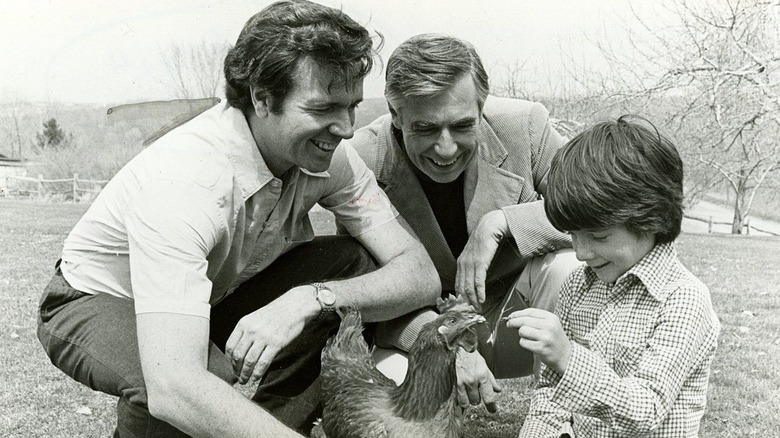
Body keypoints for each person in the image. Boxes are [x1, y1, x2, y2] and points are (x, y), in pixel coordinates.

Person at [36, 1, 440, 437]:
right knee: (198, 386)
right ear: (262, 99)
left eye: (353, 106)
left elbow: (419, 273)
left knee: (350, 261)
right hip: (101, 298)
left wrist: (310, 298)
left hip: (209, 293)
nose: (345, 128)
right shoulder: (186, 180)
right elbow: (176, 385)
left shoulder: (329, 158)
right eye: (324, 108)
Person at [343, 33, 581, 396]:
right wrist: (445, 346)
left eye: (462, 125)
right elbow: (369, 292)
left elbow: (598, 212)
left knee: (569, 266)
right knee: (389, 399)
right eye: (424, 128)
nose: (446, 148)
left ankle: (569, 413)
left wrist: (501, 224)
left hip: (515, 327)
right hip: (420, 333)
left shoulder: (527, 127)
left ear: (482, 108)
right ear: (395, 114)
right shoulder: (361, 158)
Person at [507, 116, 721, 437]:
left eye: (599, 236)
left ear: (651, 218)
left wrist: (567, 357)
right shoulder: (578, 286)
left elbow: (645, 411)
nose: (580, 252)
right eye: (572, 235)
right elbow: (551, 394)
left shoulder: (683, 299)